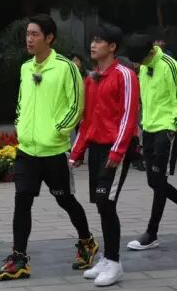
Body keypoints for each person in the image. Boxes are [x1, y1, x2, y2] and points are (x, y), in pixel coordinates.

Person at [0, 14, 98, 281]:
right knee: (22, 202)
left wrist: (57, 130)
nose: (29, 39)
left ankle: (87, 242)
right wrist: (19, 124)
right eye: (28, 34)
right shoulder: (26, 68)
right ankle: (19, 259)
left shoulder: (65, 68)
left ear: (49, 38)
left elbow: (77, 105)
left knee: (65, 199)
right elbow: (21, 101)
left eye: (35, 34)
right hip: (27, 149)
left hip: (54, 151)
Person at [69, 24, 140, 286]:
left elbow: (129, 116)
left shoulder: (125, 75)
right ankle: (107, 259)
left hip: (116, 149)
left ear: (112, 47)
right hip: (97, 149)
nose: (93, 45)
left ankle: (114, 262)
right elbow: (87, 120)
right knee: (101, 204)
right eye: (93, 40)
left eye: (99, 41)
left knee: (106, 203)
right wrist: (77, 152)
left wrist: (118, 151)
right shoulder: (92, 78)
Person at [125, 34, 177, 251]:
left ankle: (151, 233)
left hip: (166, 128)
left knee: (158, 180)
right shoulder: (144, 67)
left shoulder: (170, 65)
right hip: (149, 128)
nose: (139, 65)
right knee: (154, 181)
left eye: (141, 61)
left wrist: (172, 128)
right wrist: (141, 124)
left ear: (151, 52)